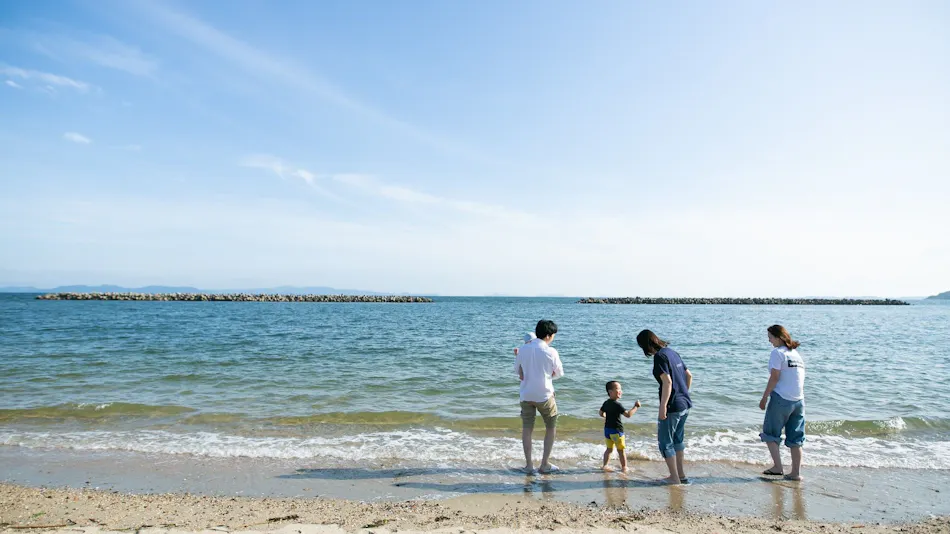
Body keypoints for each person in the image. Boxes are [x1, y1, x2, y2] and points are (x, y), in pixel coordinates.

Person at [636, 329, 693, 485]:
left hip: (673, 406)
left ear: (646, 345)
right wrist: (683, 393)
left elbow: (667, 382)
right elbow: (689, 375)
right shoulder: (672, 352)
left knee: (665, 442)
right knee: (677, 440)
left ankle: (674, 478)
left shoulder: (659, 357)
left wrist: (663, 407)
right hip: (685, 404)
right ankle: (680, 475)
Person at [513, 319, 563, 474]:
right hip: (545, 395)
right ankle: (544, 464)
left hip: (526, 394)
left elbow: (517, 371)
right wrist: (548, 375)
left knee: (527, 429)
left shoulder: (523, 349)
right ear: (548, 335)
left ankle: (529, 465)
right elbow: (559, 373)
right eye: (553, 335)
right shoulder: (551, 351)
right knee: (550, 427)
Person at [759, 324, 805, 481]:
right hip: (799, 400)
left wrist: (764, 397)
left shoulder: (777, 353)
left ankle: (778, 467)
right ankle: (795, 473)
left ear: (778, 337)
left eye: (770, 337)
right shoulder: (795, 354)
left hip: (781, 399)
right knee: (796, 438)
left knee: (770, 433)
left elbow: (775, 377)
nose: (769, 341)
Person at [599, 381, 641, 472]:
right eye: (618, 389)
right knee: (621, 450)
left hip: (607, 431)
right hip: (617, 431)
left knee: (609, 449)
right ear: (610, 392)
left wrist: (606, 416)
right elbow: (628, 415)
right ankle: (624, 467)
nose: (620, 391)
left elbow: (600, 413)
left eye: (621, 389)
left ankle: (604, 465)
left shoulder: (606, 403)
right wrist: (636, 407)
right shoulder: (617, 405)